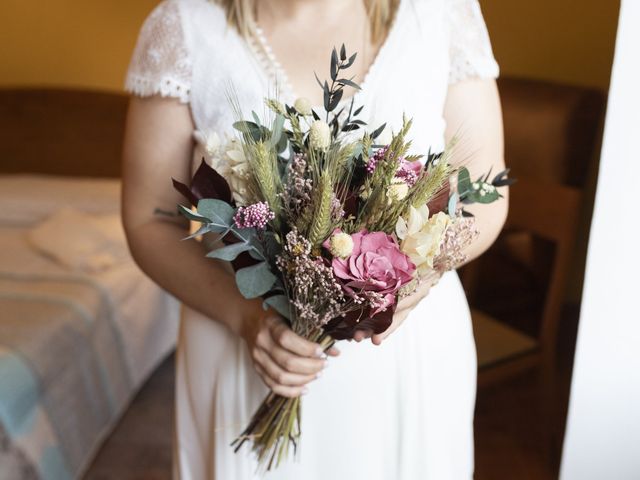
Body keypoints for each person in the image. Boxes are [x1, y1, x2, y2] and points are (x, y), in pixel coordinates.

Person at [121, 0, 507, 478]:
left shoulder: (442, 14)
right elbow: (150, 220)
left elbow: (484, 196)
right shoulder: (183, 28)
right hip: (242, 346)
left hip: (407, 352)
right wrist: (246, 319)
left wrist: (416, 279)